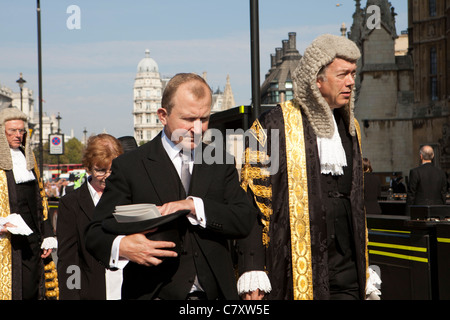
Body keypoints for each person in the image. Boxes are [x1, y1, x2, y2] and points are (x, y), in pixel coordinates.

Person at [84, 73, 255, 300]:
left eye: (204, 119)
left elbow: (243, 219)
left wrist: (195, 206)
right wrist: (123, 246)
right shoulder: (131, 166)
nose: (197, 128)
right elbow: (95, 233)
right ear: (163, 115)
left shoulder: (220, 161)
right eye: (188, 119)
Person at [237, 34, 371, 300]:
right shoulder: (273, 124)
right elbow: (250, 202)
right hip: (293, 270)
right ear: (317, 79)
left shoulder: (351, 127)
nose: (351, 82)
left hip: (348, 272)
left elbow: (357, 202)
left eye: (354, 74)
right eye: (343, 74)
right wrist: (252, 268)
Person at [57, 134, 124, 299]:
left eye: (112, 170)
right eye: (100, 170)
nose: (107, 176)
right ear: (88, 167)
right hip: (91, 290)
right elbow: (69, 261)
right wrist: (72, 296)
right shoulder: (71, 203)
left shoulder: (130, 196)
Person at [0, 107, 57, 300]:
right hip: (7, 240)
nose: (18, 135)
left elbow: (41, 200)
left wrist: (47, 233)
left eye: (21, 131)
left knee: (34, 287)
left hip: (32, 237)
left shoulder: (28, 160)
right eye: (12, 131)